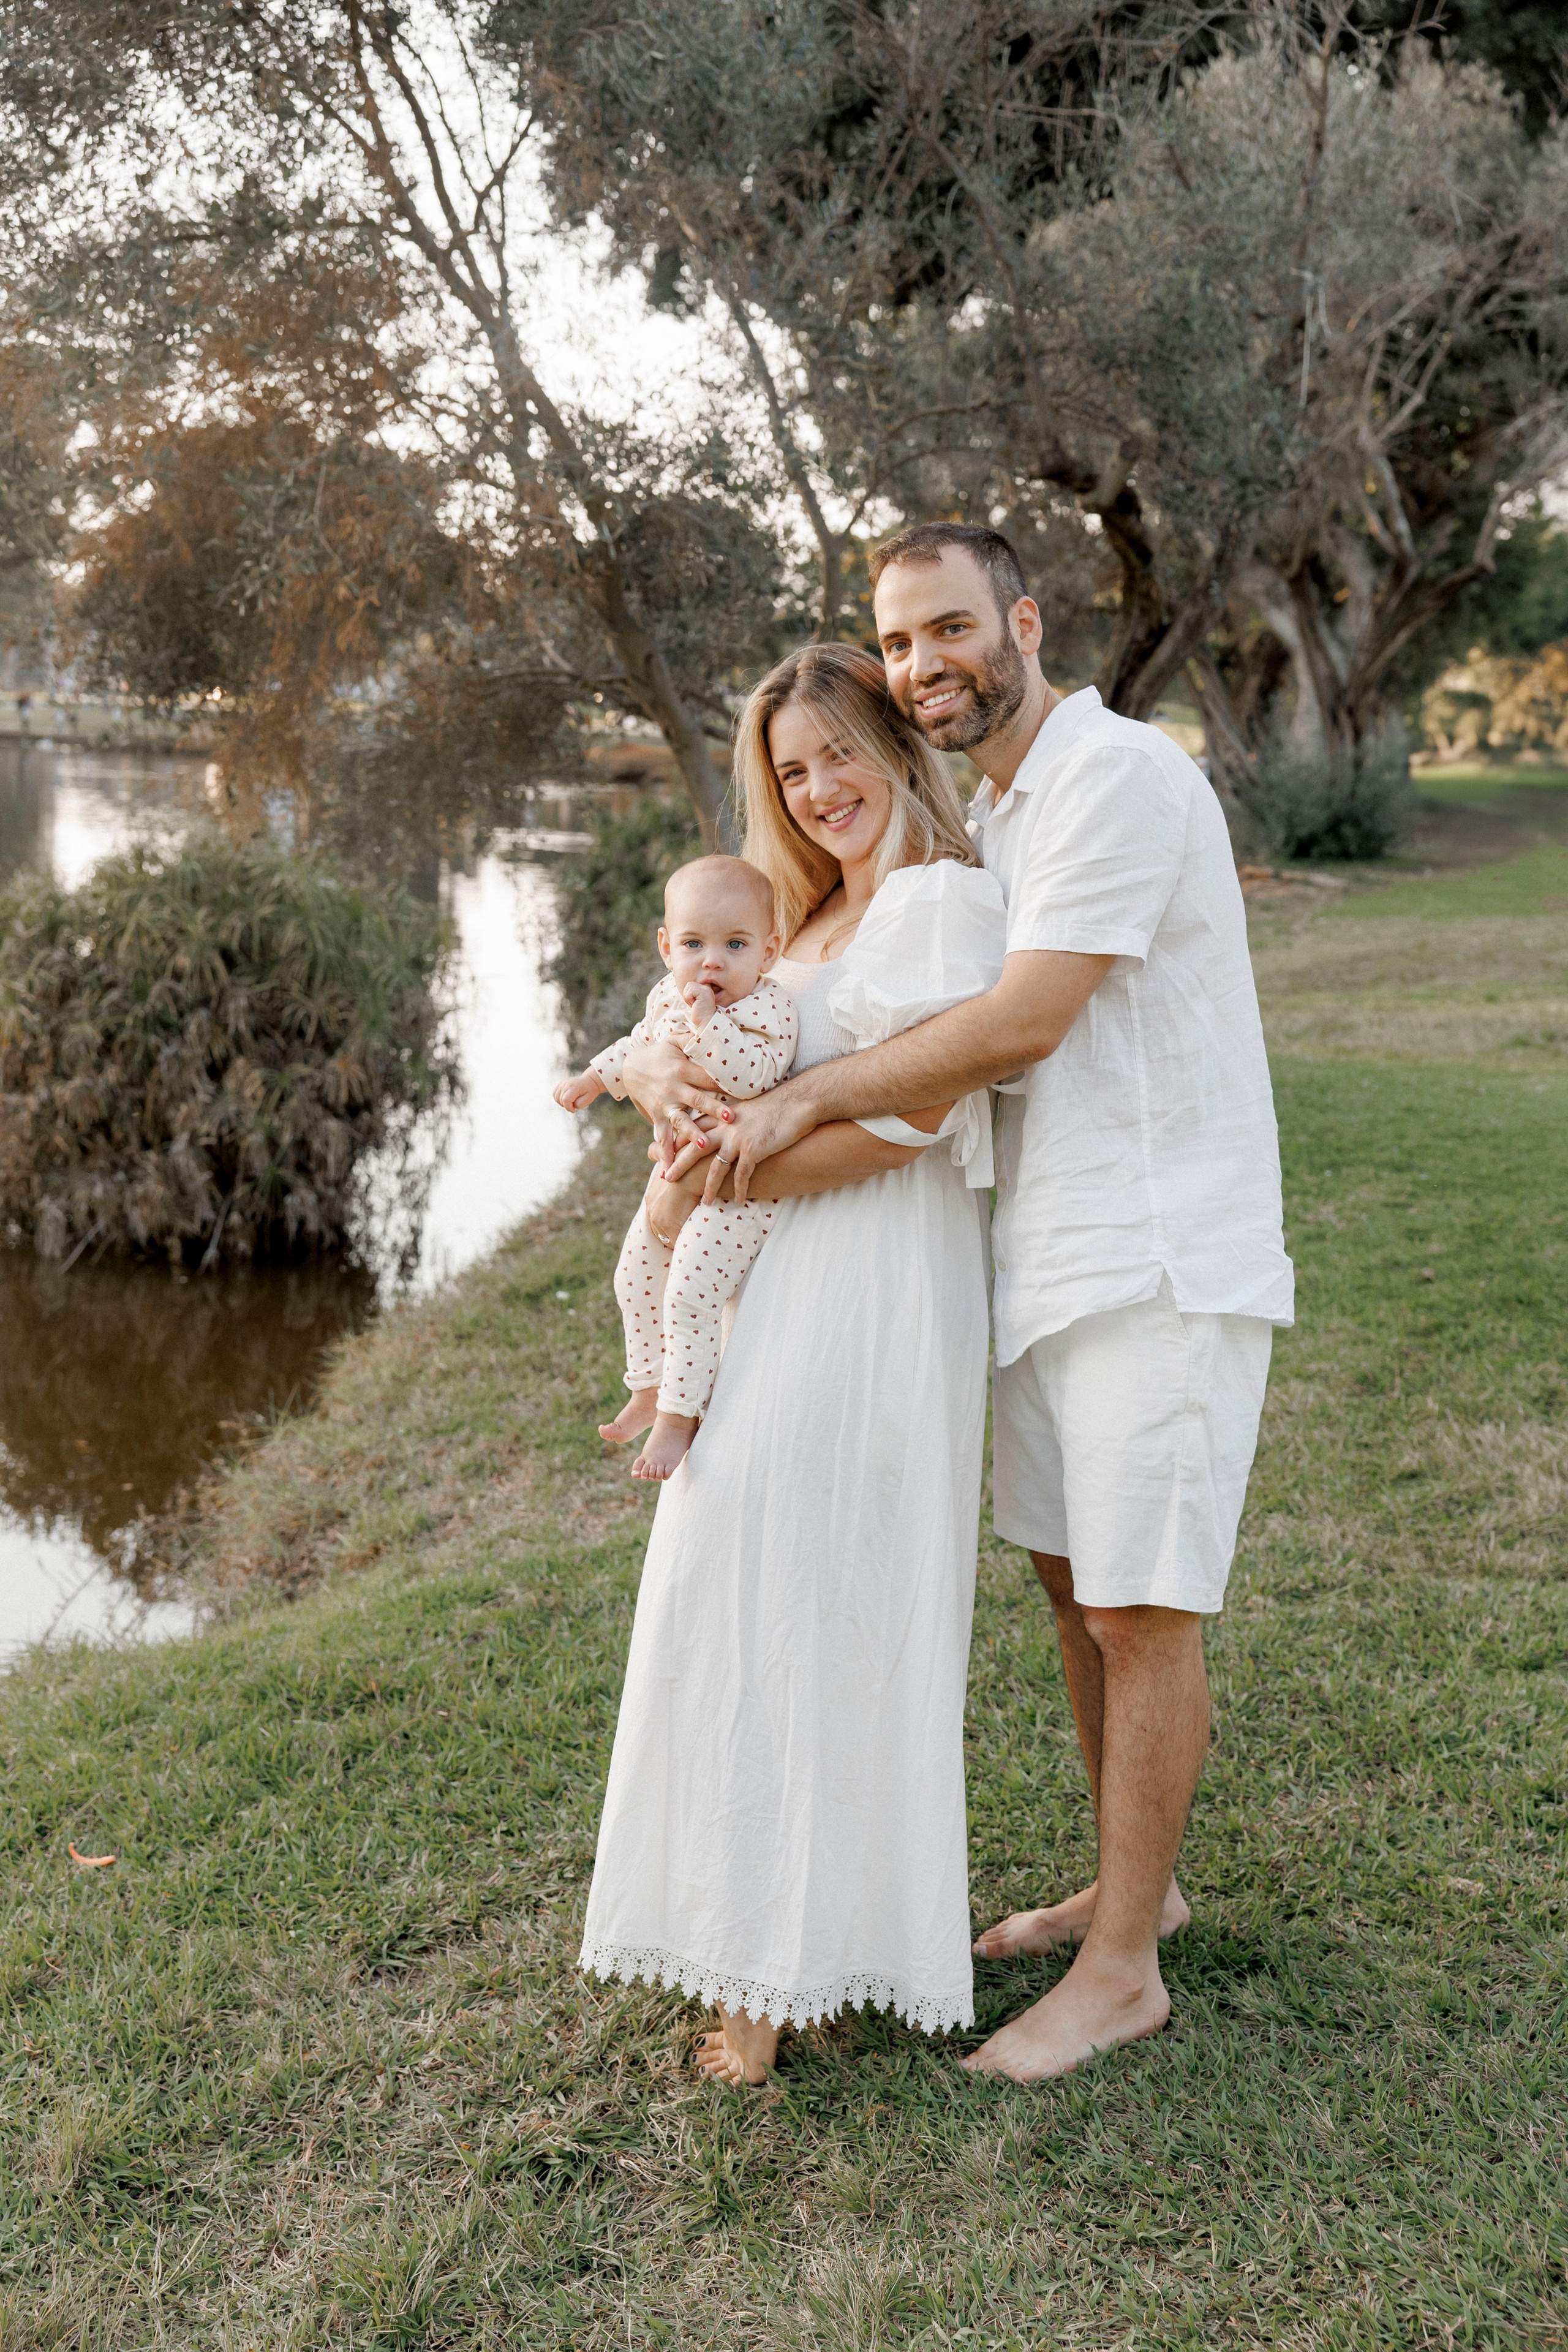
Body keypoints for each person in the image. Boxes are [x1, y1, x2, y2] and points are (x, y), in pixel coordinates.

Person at [656, 522, 1295, 2083]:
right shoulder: (998, 810)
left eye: (950, 628)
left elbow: (1013, 1023)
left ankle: (1123, 1967)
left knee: (1142, 1606)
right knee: (1077, 1591)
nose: (925, 662)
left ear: (1018, 620)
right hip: (1037, 1255)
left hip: (1155, 1247)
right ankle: (1124, 1885)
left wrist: (794, 1109)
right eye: (899, 641)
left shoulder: (1117, 777)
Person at [578, 643, 1008, 2085]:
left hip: (875, 1277)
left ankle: (765, 1985)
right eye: (790, 767)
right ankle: (770, 1939)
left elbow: (915, 1115)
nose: (818, 787)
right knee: (750, 1580)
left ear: (895, 743)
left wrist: (724, 1183)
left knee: (805, 1587)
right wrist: (652, 1083)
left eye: (837, 751)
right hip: (784, 1284)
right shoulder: (798, 915)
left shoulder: (939, 904)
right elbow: (696, 1052)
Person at [552, 854, 798, 1480]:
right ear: (666, 947)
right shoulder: (666, 995)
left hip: (738, 1189)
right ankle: (646, 1383)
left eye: (734, 944)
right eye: (693, 943)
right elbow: (640, 1046)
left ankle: (679, 1415)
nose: (711, 961)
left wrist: (708, 1024)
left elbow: (754, 1075)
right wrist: (595, 1078)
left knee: (691, 1292)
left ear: (768, 952)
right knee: (632, 1275)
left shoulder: (767, 1011)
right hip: (671, 1170)